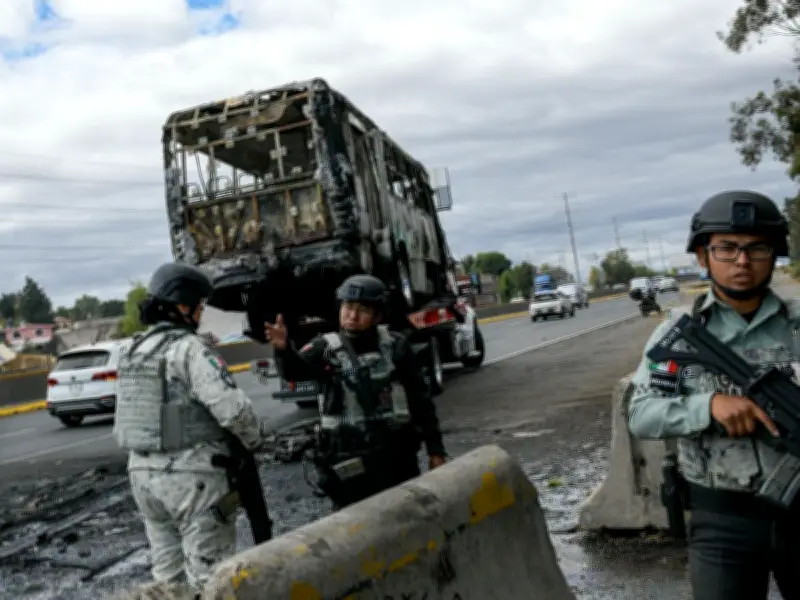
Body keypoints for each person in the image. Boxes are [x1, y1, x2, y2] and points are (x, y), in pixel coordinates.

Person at [627, 190, 800, 600]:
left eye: (757, 248)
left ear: (774, 255)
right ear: (703, 257)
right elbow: (642, 412)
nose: (742, 261)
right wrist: (708, 406)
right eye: (727, 248)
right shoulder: (680, 334)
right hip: (722, 523)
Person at [113, 262, 266, 594]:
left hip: (142, 477)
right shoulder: (190, 349)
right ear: (182, 305)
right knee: (209, 578)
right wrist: (256, 440)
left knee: (168, 579)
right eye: (199, 306)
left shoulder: (132, 350)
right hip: (192, 480)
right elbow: (233, 410)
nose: (201, 314)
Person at [265, 274, 447, 509]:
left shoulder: (396, 346)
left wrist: (435, 451)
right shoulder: (325, 348)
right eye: (348, 307)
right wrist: (283, 349)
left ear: (378, 315)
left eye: (362, 310)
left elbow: (421, 402)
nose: (352, 315)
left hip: (395, 459)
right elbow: (294, 371)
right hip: (348, 460)